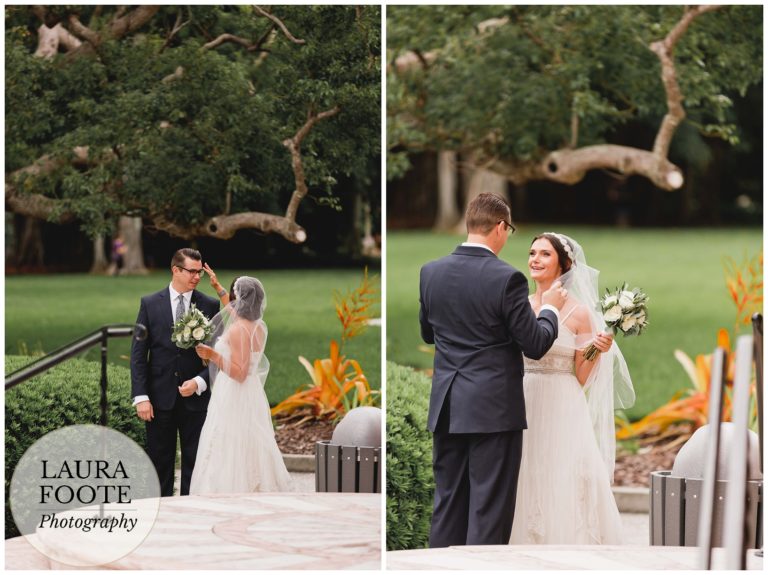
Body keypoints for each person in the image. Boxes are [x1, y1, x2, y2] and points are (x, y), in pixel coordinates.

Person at [419, 193, 567, 547]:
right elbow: (534, 343)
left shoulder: (430, 271)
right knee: (489, 508)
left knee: (448, 502)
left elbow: (429, 333)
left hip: (447, 406)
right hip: (493, 410)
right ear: (500, 227)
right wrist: (550, 310)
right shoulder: (507, 279)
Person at [509, 232, 635, 545]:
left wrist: (597, 352)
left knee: (560, 471)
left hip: (562, 403)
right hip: (523, 398)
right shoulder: (520, 306)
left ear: (564, 265)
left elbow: (580, 375)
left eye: (544, 254)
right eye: (532, 252)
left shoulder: (579, 313)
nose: (535, 259)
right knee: (524, 472)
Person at [130, 248, 220, 496]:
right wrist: (141, 397)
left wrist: (200, 383)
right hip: (159, 399)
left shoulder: (209, 305)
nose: (196, 277)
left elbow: (218, 356)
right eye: (192, 271)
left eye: (199, 272)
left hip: (197, 400)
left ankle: (190, 514)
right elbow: (138, 354)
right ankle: (162, 514)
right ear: (176, 270)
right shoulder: (149, 304)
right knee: (160, 464)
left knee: (195, 462)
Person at [190, 276, 291, 493]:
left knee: (229, 439)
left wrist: (213, 355)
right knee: (250, 438)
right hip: (251, 393)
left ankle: (229, 488)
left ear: (240, 300)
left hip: (235, 392)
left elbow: (240, 372)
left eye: (233, 296)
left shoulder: (238, 330)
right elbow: (234, 312)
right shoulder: (257, 326)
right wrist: (218, 289)